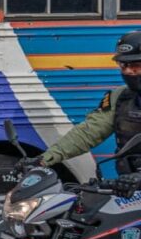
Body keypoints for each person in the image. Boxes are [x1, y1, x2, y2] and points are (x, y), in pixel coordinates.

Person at [32, 31, 141, 196]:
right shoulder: (120, 98)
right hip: (129, 189)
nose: (128, 71)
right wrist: (44, 159)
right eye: (123, 65)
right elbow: (87, 132)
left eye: (135, 65)